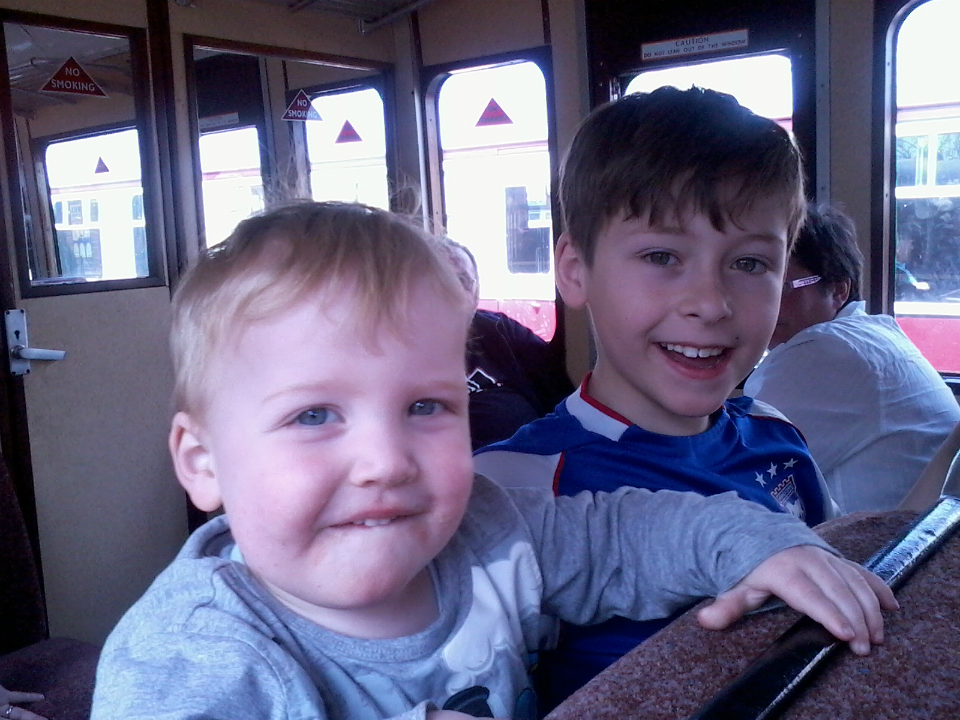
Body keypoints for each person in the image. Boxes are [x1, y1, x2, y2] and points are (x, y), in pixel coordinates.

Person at [89, 201, 896, 720]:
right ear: (203, 464)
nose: (384, 459)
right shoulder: (195, 664)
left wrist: (763, 543)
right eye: (313, 414)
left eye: (425, 407)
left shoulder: (485, 533)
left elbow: (628, 532)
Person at [473, 86, 837, 707]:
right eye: (662, 255)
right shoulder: (513, 487)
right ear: (575, 270)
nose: (711, 302)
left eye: (749, 264)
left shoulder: (778, 434)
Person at [744, 204, 960, 513]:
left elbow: (740, 477)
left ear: (838, 291)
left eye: (784, 286)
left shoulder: (824, 351)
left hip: (871, 554)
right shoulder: (870, 337)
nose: (765, 302)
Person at [443, 239, 574, 450]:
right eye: (440, 281)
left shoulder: (500, 332)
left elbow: (561, 398)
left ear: (476, 292)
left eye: (462, 280)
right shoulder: (399, 351)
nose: (453, 293)